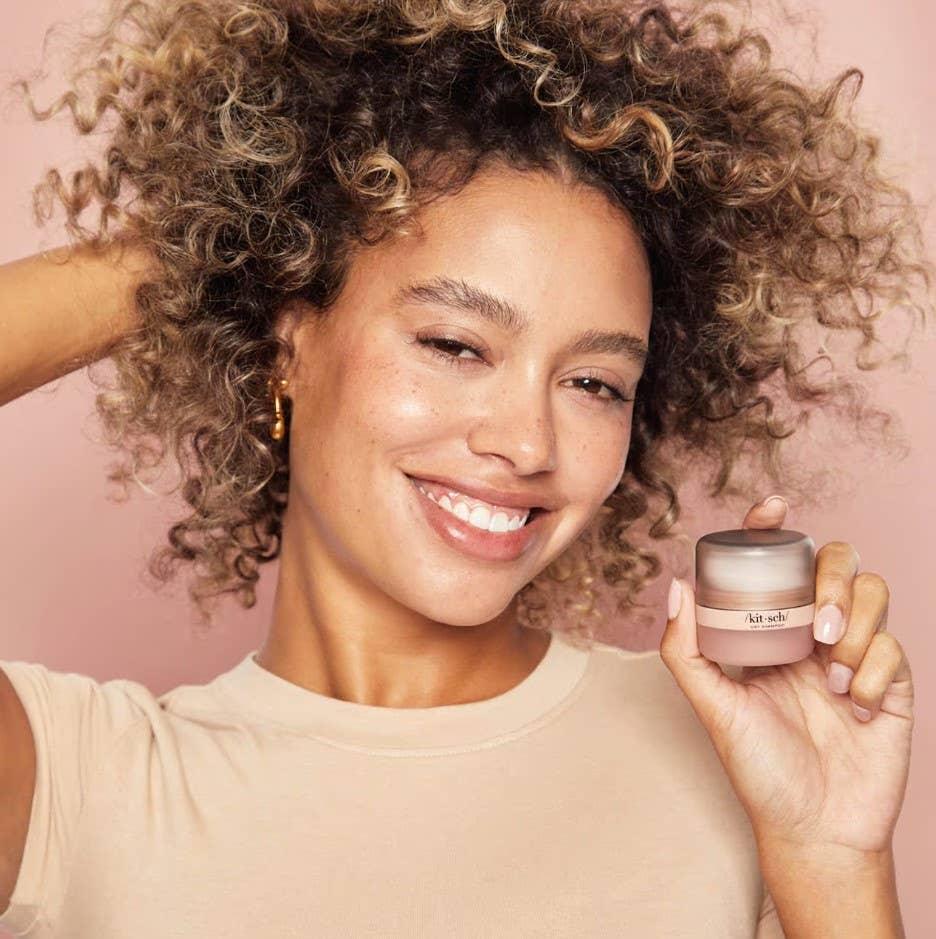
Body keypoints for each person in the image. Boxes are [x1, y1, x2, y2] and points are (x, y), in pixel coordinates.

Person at [0, 0, 925, 935]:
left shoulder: (731, 742)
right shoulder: (80, 782)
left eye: (595, 383)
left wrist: (831, 858)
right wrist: (219, 242)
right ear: (287, 342)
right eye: (453, 343)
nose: (528, 444)